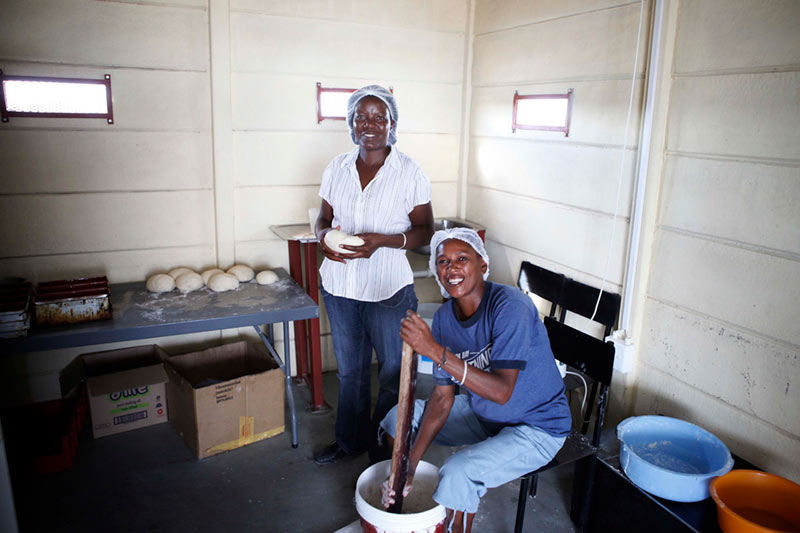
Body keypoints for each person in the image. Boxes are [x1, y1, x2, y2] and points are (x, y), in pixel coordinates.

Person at [379, 228, 571, 533]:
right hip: (485, 416)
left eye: (461, 259)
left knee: (458, 473)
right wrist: (409, 465)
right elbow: (442, 399)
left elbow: (502, 392)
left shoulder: (511, 307)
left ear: (483, 265)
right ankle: (397, 491)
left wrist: (434, 350)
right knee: (396, 420)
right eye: (442, 262)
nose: (451, 267)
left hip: (538, 427)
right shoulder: (444, 319)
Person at [313, 85, 435, 465]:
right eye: (361, 117)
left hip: (388, 290)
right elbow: (322, 219)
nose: (370, 124)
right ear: (351, 122)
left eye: (378, 117)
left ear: (392, 123)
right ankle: (349, 442)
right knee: (350, 374)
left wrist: (382, 241)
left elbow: (425, 231)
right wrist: (322, 238)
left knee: (393, 373)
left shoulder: (409, 172)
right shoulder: (337, 167)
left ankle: (382, 449)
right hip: (341, 286)